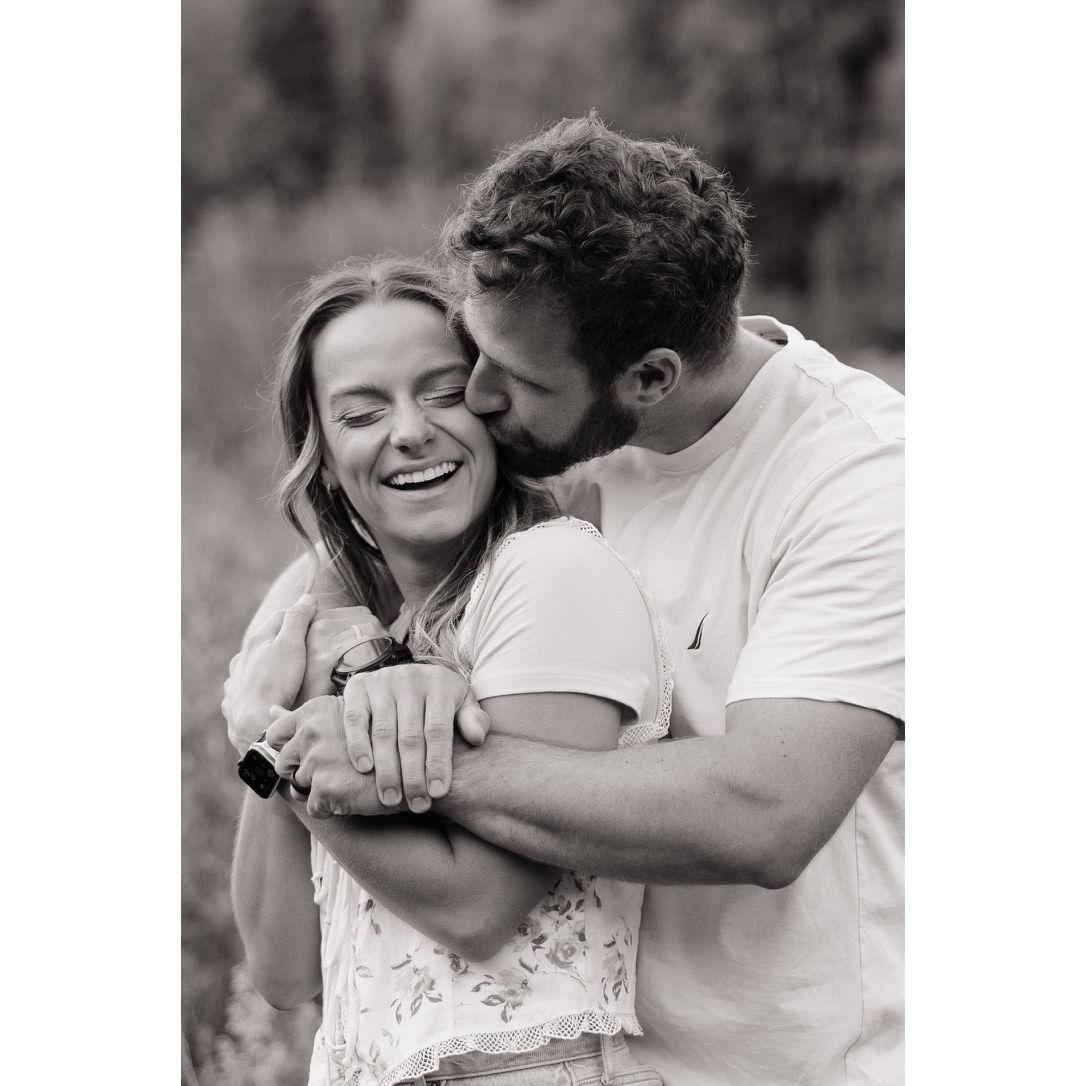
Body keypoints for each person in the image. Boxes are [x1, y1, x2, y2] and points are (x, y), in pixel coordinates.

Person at [226, 114, 905, 1085]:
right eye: (474, 353)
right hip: (615, 1055)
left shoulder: (860, 480)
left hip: (799, 1062)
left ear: (650, 377)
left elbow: (766, 814)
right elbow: (382, 515)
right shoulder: (569, 441)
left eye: (507, 379)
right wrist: (343, 634)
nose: (478, 397)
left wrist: (393, 759)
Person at [227, 258, 672, 1086]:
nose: (409, 431)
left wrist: (278, 751)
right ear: (323, 456)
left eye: (442, 393)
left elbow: (479, 909)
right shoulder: (345, 642)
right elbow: (284, 971)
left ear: (494, 409)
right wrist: (278, 721)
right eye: (362, 413)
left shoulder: (552, 574)